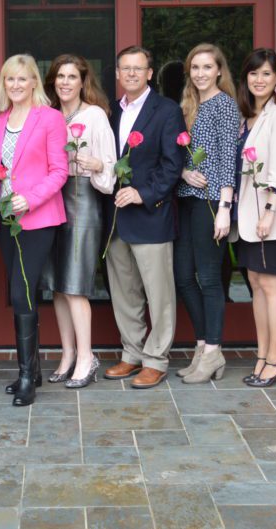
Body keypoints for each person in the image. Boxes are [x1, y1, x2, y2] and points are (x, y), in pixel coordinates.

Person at [103, 45, 186, 389]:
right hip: (116, 220)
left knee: (159, 294)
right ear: (119, 74)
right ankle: (132, 353)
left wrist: (143, 193)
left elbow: (173, 164)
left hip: (151, 216)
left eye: (139, 68)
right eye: (126, 69)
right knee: (125, 292)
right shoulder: (113, 113)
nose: (132, 74)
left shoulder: (166, 111)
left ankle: (156, 359)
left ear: (150, 73)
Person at [0, 54, 69, 406]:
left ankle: (26, 377)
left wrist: (30, 199)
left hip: (37, 219)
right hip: (5, 220)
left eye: (23, 79)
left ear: (35, 81)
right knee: (17, 290)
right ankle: (33, 369)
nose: (16, 85)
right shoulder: (0, 120)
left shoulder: (50, 118)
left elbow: (59, 171)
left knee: (23, 291)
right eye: (10, 79)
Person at [42, 54, 116, 389]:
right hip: (50, 202)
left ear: (83, 81)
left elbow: (111, 167)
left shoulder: (95, 115)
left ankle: (87, 358)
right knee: (57, 286)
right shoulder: (48, 115)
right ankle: (68, 354)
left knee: (75, 286)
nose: (65, 82)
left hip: (83, 200)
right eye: (60, 76)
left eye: (72, 76)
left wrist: (96, 165)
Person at [233, 48, 276, 388]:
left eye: (266, 74)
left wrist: (271, 213)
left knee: (272, 286)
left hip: (270, 216)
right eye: (253, 73)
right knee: (256, 286)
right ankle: (262, 356)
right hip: (249, 215)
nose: (259, 80)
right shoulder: (249, 117)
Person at [173, 44, 239, 384]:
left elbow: (229, 158)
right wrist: (184, 174)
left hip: (212, 202)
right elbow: (185, 158)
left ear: (218, 71)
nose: (200, 73)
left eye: (206, 67)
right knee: (184, 276)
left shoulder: (225, 106)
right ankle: (202, 347)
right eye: (194, 67)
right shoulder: (189, 106)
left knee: (209, 278)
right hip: (186, 198)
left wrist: (225, 209)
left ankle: (213, 351)